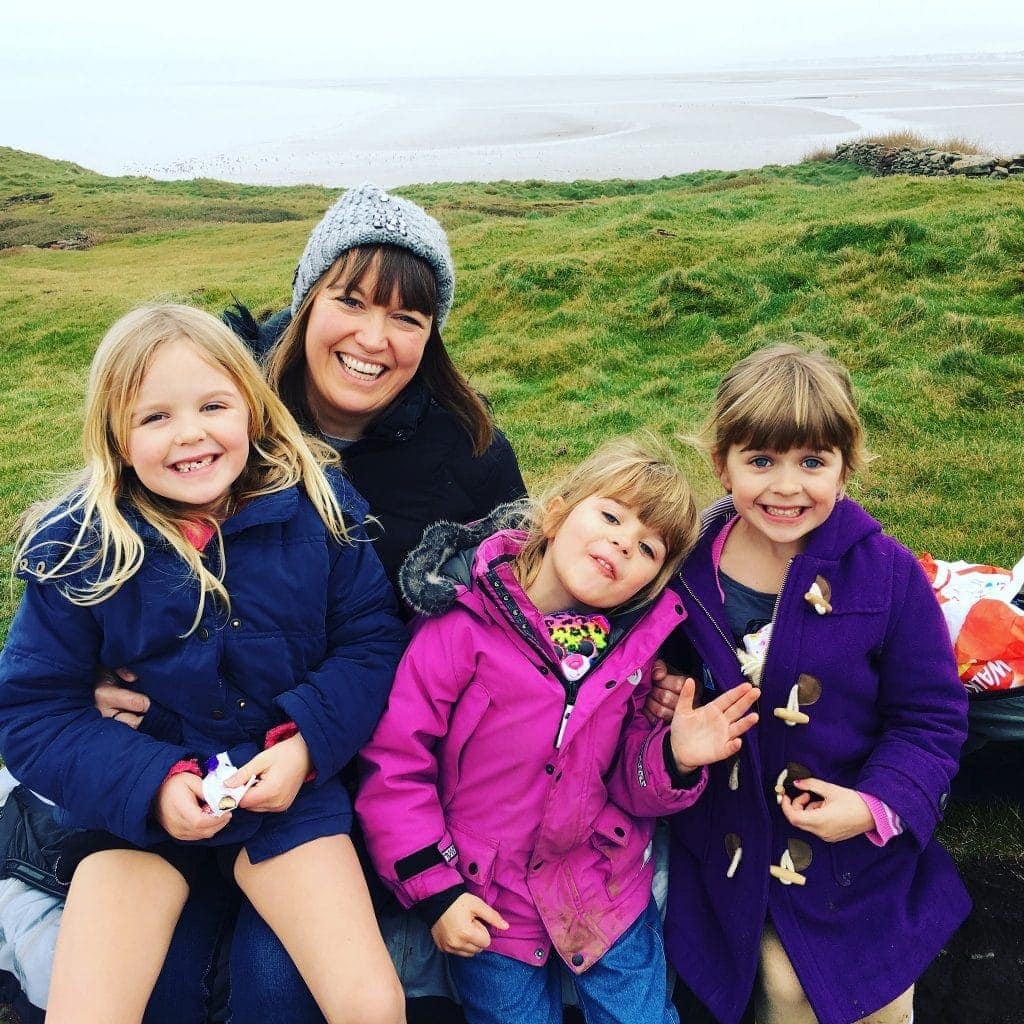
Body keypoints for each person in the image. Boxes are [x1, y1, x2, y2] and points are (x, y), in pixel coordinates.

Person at [0, 305, 408, 1024]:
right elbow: (33, 711)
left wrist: (305, 747)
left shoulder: (318, 507)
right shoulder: (79, 546)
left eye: (213, 405)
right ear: (116, 439)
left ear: (251, 410)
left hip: (284, 795)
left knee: (371, 1004)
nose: (190, 433)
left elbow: (371, 643)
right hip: (134, 808)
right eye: (154, 418)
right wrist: (150, 785)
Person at [357, 437, 761, 1024]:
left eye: (648, 547)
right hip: (489, 903)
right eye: (610, 515)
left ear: (649, 584)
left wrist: (672, 757)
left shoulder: (632, 658)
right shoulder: (460, 628)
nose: (624, 541)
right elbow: (396, 765)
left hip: (602, 890)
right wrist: (435, 892)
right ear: (555, 512)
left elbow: (627, 784)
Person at [659, 344, 970, 1024]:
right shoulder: (681, 571)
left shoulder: (885, 573)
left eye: (812, 462)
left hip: (853, 848)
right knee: (781, 984)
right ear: (722, 464)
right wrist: (666, 708)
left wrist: (874, 805)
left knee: (874, 993)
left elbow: (931, 716)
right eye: (761, 461)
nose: (786, 487)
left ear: (845, 466)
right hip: (733, 842)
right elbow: (659, 679)